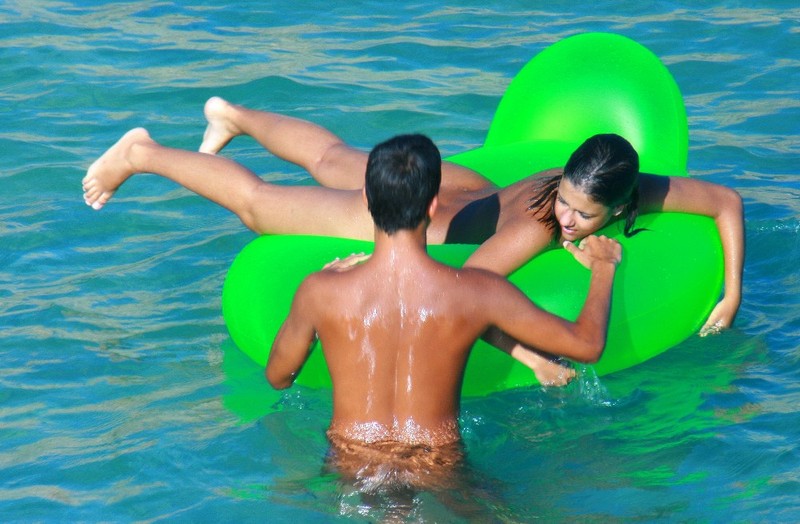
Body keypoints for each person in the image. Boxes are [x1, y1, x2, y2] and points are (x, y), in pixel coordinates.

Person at [82, 96, 743, 367]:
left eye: (584, 214)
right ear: (564, 179)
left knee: (334, 158)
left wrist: (731, 293)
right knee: (259, 206)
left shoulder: (639, 186)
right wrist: (532, 358)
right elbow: (471, 289)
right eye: (566, 200)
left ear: (623, 202)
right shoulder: (540, 227)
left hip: (472, 190)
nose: (569, 218)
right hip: (438, 220)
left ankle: (232, 116)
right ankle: (142, 152)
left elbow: (725, 202)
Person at [264, 133, 622, 491]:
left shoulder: (320, 291)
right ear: (433, 206)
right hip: (438, 468)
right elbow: (587, 345)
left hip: (348, 463)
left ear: (366, 199)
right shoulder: (476, 290)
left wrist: (318, 294)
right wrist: (604, 268)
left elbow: (278, 377)